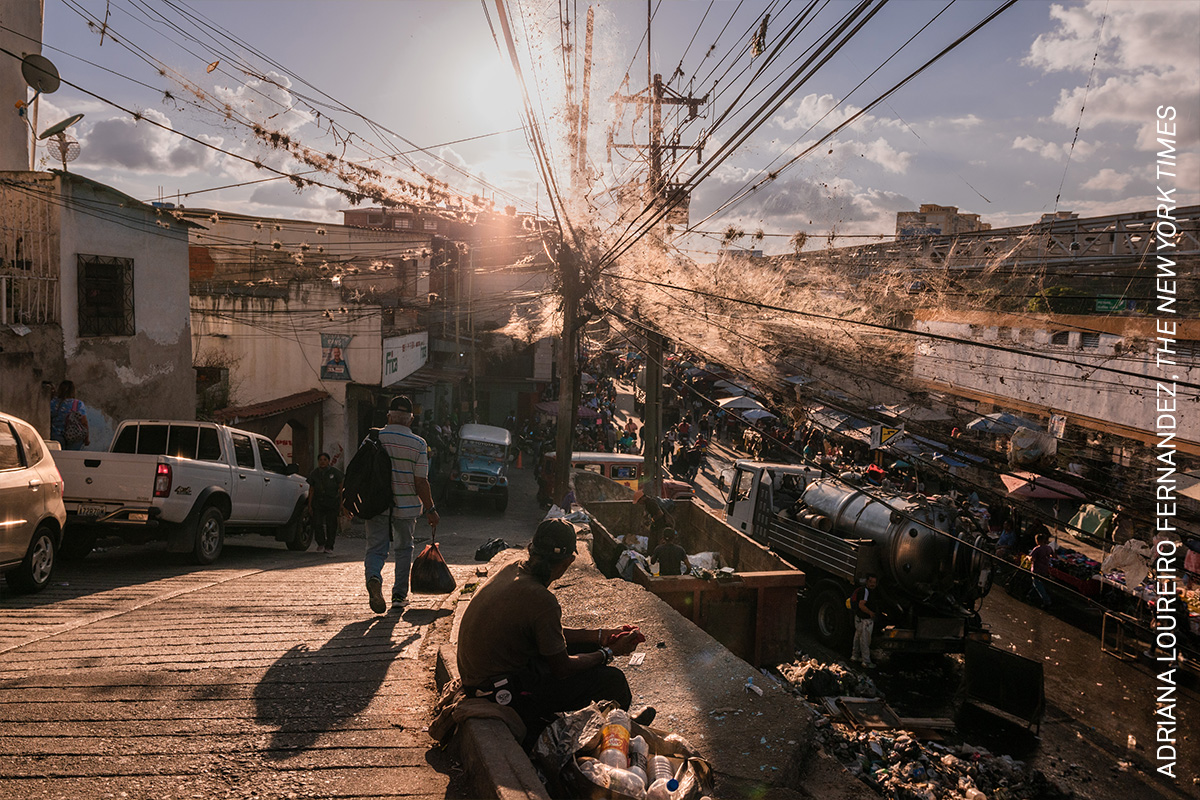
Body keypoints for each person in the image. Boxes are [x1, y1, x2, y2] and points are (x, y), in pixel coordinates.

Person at [455, 518, 650, 747]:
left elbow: (547, 632)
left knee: (590, 649)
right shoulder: (542, 600)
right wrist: (609, 652)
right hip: (499, 691)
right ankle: (609, 730)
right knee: (613, 681)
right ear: (569, 562)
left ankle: (613, 719)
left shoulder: (512, 569)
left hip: (480, 678)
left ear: (530, 549)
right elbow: (562, 667)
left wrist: (600, 636)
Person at [364, 395, 439, 614]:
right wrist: (431, 509)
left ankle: (374, 578)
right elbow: (421, 481)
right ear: (410, 420)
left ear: (388, 416)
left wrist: (350, 502)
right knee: (404, 549)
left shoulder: (373, 438)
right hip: (406, 508)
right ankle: (399, 595)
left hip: (376, 505)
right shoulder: (418, 444)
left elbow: (361, 474)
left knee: (375, 549)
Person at [307, 453, 344, 555]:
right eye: (320, 460)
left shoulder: (335, 473)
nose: (322, 462)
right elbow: (311, 490)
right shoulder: (314, 473)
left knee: (331, 524)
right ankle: (321, 542)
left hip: (332, 502)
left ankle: (329, 546)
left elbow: (341, 488)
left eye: (325, 460)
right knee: (317, 523)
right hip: (318, 502)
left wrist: (342, 503)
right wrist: (309, 504)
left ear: (328, 461)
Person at [50, 380, 90, 450]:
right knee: (71, 458)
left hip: (56, 435)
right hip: (74, 436)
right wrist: (86, 439)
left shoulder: (52, 402)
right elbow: (84, 422)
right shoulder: (78, 404)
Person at [850, 575, 879, 668]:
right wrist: (870, 613)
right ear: (867, 582)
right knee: (865, 640)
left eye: (874, 582)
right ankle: (866, 662)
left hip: (859, 618)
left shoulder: (863, 590)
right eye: (871, 582)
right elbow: (861, 605)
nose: (873, 584)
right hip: (865, 620)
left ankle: (854, 656)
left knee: (857, 638)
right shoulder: (866, 591)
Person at [1028, 530, 1054, 609]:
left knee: (1037, 583)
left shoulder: (1037, 549)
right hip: (1045, 568)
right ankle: (1030, 595)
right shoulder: (1048, 548)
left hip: (1037, 569)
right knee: (1037, 582)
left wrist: (1028, 557)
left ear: (1037, 541)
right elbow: (1053, 555)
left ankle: (1046, 600)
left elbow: (1032, 558)